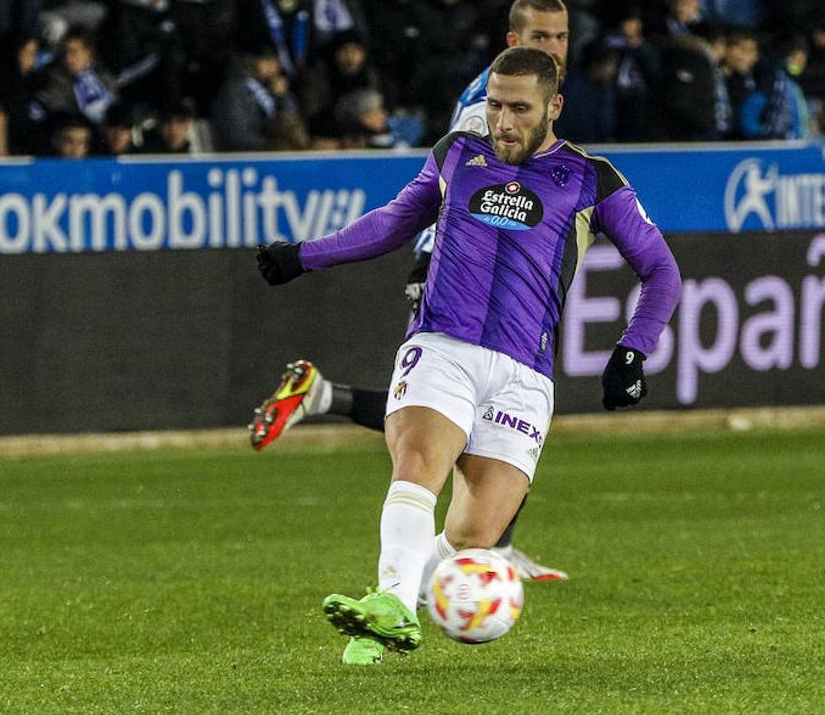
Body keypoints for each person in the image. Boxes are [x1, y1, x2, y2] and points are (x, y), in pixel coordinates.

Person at [255, 46, 681, 665]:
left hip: (524, 375)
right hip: (442, 345)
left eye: (519, 109)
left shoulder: (594, 178)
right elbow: (394, 222)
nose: (503, 122)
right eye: (495, 106)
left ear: (553, 107)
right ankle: (395, 607)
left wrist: (633, 350)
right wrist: (304, 256)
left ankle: (388, 601)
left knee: (473, 535)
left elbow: (661, 270)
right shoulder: (458, 152)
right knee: (419, 464)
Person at [249, 0, 572, 582]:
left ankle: (324, 398)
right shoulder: (492, 107)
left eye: (560, 37)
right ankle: (476, 556)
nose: (552, 48)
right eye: (539, 39)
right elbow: (449, 197)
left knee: (480, 411)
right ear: (512, 44)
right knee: (457, 411)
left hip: (483, 272)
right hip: (457, 270)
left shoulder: (528, 99)